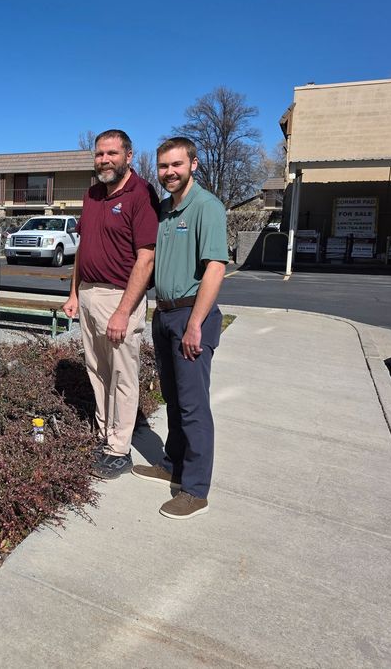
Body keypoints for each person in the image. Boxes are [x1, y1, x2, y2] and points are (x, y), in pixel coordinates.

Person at [132, 137, 227, 519]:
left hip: (191, 316)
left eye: (176, 165)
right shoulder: (166, 211)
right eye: (163, 166)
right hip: (165, 314)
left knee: (193, 406)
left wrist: (195, 324)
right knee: (173, 398)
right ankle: (173, 464)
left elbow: (216, 269)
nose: (169, 172)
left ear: (194, 164)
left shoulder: (206, 207)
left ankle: (196, 489)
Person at [62, 129, 160, 478]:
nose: (104, 160)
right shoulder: (91, 195)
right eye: (100, 154)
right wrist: (74, 293)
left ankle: (119, 448)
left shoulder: (141, 194)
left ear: (129, 156)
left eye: (112, 154)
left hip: (121, 297)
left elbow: (145, 258)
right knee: (98, 370)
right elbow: (82, 249)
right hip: (88, 293)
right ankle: (105, 436)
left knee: (122, 374)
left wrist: (123, 310)